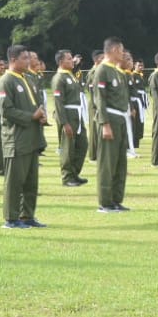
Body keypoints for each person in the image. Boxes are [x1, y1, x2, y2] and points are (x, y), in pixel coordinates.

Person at [0, 44, 48, 228]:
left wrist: (41, 115)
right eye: (25, 58)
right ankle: (11, 218)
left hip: (32, 137)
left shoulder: (27, 78)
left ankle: (27, 215)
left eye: (29, 58)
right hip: (17, 139)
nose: (29, 61)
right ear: (13, 60)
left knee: (30, 182)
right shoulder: (6, 81)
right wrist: (31, 117)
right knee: (14, 183)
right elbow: (7, 110)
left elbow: (35, 104)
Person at [88, 38, 132, 211]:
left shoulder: (118, 71)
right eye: (121, 50)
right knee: (107, 163)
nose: (123, 54)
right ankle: (105, 202)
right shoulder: (102, 70)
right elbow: (100, 99)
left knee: (120, 163)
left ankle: (116, 199)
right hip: (110, 119)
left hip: (120, 119)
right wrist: (104, 123)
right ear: (113, 50)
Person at [51, 51, 88, 187]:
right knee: (68, 148)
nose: (72, 60)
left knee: (82, 145)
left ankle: (74, 173)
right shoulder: (59, 78)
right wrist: (64, 123)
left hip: (77, 115)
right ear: (61, 62)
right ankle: (67, 177)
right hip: (68, 114)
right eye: (69, 58)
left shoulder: (71, 76)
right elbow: (58, 102)